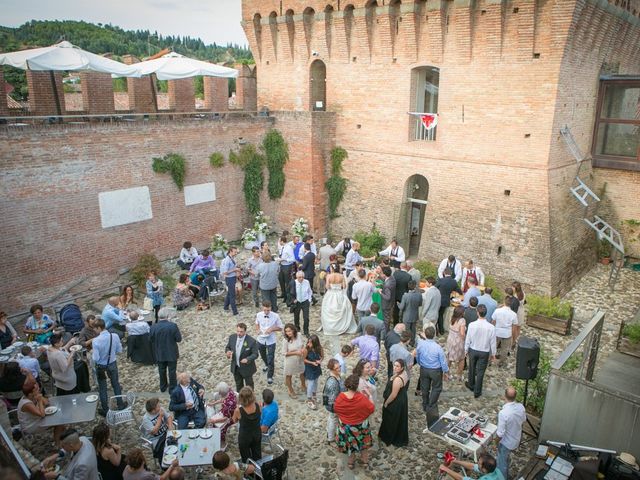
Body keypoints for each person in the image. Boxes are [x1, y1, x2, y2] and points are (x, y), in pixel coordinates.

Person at [333, 374, 375, 471]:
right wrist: (370, 396)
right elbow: (371, 409)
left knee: (350, 446)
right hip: (361, 427)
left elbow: (336, 409)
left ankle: (351, 463)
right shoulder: (362, 398)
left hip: (346, 427)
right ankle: (365, 462)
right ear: (357, 386)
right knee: (364, 446)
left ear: (347, 385)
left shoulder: (340, 397)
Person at [415, 325, 449, 427]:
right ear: (434, 335)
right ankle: (431, 404)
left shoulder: (420, 345)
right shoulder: (438, 347)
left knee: (424, 387)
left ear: (425, 334)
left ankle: (425, 404)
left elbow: (417, 356)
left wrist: (421, 364)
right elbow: (442, 361)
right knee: (437, 388)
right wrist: (446, 371)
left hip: (424, 369)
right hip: (435, 370)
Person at [18, 379, 65, 445]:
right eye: (36, 389)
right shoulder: (27, 404)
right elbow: (42, 414)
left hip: (37, 418)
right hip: (30, 425)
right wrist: (40, 400)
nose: (39, 390)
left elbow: (46, 402)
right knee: (59, 422)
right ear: (30, 394)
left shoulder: (33, 396)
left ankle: (61, 438)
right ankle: (58, 444)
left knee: (60, 418)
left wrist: (40, 397)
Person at [92, 318, 123, 415]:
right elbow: (119, 350)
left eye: (94, 329)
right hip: (112, 364)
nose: (94, 330)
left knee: (102, 388)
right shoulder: (114, 336)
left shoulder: (96, 341)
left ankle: (105, 409)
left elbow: (96, 358)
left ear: (98, 328)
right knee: (116, 384)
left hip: (101, 366)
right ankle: (120, 404)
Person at [464, 304, 496, 398]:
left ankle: (471, 384)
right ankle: (477, 391)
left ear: (477, 313)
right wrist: (493, 353)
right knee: (481, 372)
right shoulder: (491, 327)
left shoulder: (472, 325)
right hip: (484, 351)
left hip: (473, 349)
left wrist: (466, 349)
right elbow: (493, 341)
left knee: (472, 368)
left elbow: (468, 338)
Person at [496, 387, 526, 480]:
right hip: (516, 438)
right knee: (506, 459)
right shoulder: (521, 407)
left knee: (502, 463)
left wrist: (495, 442)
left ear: (505, 396)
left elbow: (500, 433)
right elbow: (524, 420)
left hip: (506, 442)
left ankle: (502, 478)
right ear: (515, 396)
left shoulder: (503, 413)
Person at [149, 308, 182, 393]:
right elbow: (178, 339)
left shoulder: (153, 327)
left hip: (159, 352)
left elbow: (150, 339)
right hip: (171, 352)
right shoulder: (173, 326)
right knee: (172, 371)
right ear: (167, 316)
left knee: (161, 370)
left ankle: (163, 387)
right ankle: (172, 388)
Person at [378, 359, 409, 447]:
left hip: (396, 402)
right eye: (394, 365)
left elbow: (394, 395)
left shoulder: (398, 380)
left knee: (390, 419)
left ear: (402, 367)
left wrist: (386, 403)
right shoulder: (404, 373)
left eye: (397, 366)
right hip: (402, 399)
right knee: (398, 419)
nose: (395, 367)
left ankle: (389, 437)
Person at [255, 301, 283, 385]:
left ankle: (270, 376)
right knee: (263, 354)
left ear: (270, 308)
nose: (266, 312)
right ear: (262, 308)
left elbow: (280, 328)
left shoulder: (276, 316)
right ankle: (266, 365)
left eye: (268, 310)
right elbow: (257, 323)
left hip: (271, 340)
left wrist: (272, 329)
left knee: (271, 358)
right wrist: (257, 330)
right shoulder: (259, 315)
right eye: (265, 310)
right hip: (261, 339)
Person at [225, 323, 259, 392]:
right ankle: (240, 398)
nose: (239, 333)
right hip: (236, 367)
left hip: (247, 368)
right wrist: (228, 352)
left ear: (245, 331)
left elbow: (255, 354)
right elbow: (228, 347)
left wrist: (247, 359)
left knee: (249, 386)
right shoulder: (232, 337)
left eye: (241, 332)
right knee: (238, 384)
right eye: (237, 331)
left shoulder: (251, 341)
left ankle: (250, 399)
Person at [232, 386, 262, 462]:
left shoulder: (238, 410)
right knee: (257, 454)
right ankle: (258, 471)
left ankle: (249, 472)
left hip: (245, 437)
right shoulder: (258, 405)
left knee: (246, 457)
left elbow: (234, 420)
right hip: (256, 433)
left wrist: (237, 407)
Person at [491, 297, 517, 367]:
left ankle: (489, 360)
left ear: (504, 302)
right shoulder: (514, 314)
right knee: (504, 349)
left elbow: (493, 321)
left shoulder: (497, 311)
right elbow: (514, 327)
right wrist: (512, 336)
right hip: (507, 333)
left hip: (497, 331)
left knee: (493, 346)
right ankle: (501, 362)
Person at [435, 268, 462, 335]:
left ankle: (437, 330)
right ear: (451, 274)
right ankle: (441, 330)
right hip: (446, 301)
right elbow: (459, 290)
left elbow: (435, 287)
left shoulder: (441, 280)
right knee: (441, 314)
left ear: (444, 273)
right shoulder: (453, 282)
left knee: (437, 314)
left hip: (439, 300)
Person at [323, 358, 345, 444]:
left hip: (335, 404)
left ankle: (330, 433)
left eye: (339, 366)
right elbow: (332, 399)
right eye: (337, 368)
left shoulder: (337, 375)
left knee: (331, 418)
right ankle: (331, 437)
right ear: (332, 369)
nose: (339, 369)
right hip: (334, 406)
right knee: (333, 419)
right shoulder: (332, 382)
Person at [282, 323, 305, 399]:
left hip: (300, 358)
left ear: (293, 330)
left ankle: (303, 384)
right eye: (286, 331)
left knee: (302, 372)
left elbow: (302, 345)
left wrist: (302, 349)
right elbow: (284, 353)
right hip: (290, 360)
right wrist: (295, 352)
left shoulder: (299, 335)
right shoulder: (285, 340)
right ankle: (290, 390)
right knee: (289, 375)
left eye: (289, 331)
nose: (288, 333)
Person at [439, 453, 504, 480]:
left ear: (484, 469)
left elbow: (462, 479)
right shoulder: (494, 469)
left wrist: (446, 469)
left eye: (479, 463)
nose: (477, 462)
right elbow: (473, 466)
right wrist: (455, 461)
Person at [398, 280, 423, 345]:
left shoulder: (405, 296)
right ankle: (412, 342)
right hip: (415, 315)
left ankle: (406, 343)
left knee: (407, 330)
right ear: (415, 286)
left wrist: (398, 304)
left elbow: (401, 307)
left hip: (407, 316)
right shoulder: (419, 295)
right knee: (413, 329)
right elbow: (420, 304)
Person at [446, 306, 467, 380]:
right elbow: (462, 333)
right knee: (461, 358)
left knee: (449, 358)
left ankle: (447, 374)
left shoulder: (452, 318)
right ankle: (459, 375)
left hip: (450, 340)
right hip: (458, 341)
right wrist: (465, 339)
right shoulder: (462, 320)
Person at [303, 334, 324, 410]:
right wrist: (312, 363)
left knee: (316, 381)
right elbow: (303, 359)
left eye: (311, 343)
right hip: (309, 367)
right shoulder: (306, 349)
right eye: (308, 342)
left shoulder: (319, 348)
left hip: (317, 367)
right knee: (310, 383)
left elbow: (322, 356)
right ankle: (309, 399)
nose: (309, 344)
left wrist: (320, 361)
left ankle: (314, 395)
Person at [289, 270, 312, 335]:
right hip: (297, 302)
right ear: (296, 277)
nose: (301, 278)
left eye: (302, 277)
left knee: (306, 318)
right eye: (299, 277)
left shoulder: (307, 282)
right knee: (296, 317)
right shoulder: (293, 283)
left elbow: (310, 291)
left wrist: (309, 300)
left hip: (305, 301)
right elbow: (289, 293)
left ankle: (306, 331)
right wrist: (293, 300)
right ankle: (297, 329)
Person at [221, 247, 241, 315]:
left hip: (233, 277)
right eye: (235, 252)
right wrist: (235, 270)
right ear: (230, 252)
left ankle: (225, 307)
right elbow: (225, 272)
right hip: (229, 279)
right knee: (233, 295)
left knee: (229, 293)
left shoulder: (232, 258)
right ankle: (235, 312)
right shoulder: (227, 260)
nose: (236, 253)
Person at [277, 236, 296, 304]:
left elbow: (292, 259)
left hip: (287, 266)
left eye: (279, 241)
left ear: (282, 241)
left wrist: (284, 259)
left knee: (287, 282)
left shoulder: (289, 248)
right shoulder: (282, 247)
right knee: (280, 279)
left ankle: (288, 298)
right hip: (282, 266)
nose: (279, 242)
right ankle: (283, 294)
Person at [512, 282, 526, 349]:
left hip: (517, 311)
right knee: (518, 327)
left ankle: (513, 341)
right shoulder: (522, 293)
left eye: (513, 287)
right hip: (521, 310)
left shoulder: (515, 296)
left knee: (514, 327)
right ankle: (516, 339)